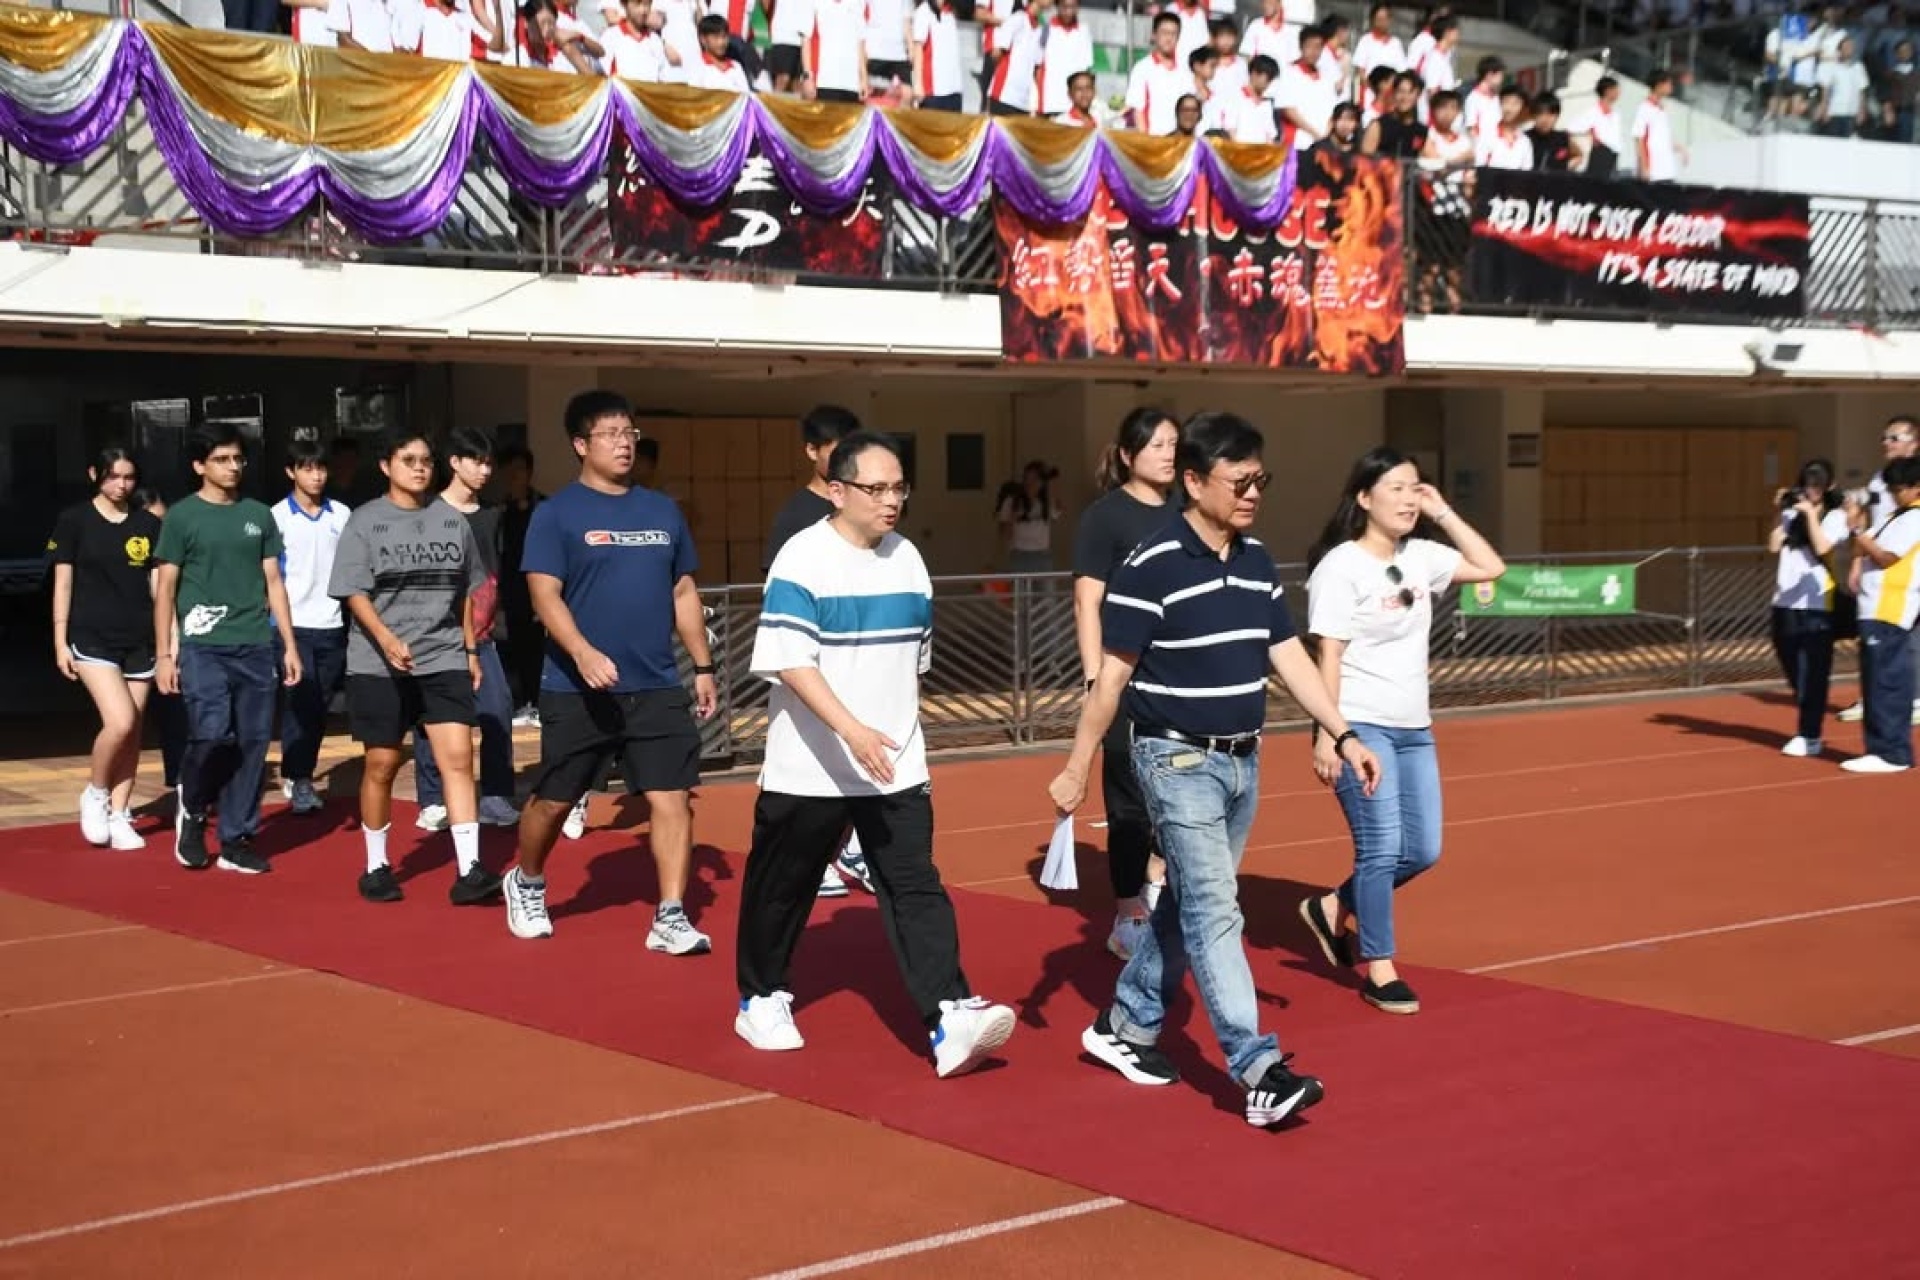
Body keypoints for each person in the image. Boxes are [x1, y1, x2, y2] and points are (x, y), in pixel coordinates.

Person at [1047, 412, 1381, 1129]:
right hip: (1174, 759)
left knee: (1189, 905)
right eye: (1240, 481)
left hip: (1241, 763)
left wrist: (1343, 731)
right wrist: (1077, 767)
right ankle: (1257, 1070)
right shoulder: (1151, 564)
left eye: (1261, 480)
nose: (1253, 493)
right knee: (1217, 910)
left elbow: (1287, 657)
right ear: (1195, 482)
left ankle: (1126, 1023)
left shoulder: (1256, 561)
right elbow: (1111, 679)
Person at [735, 431, 1017, 1075]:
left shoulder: (908, 559)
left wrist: (895, 737)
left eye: (899, 488)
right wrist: (853, 731)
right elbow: (790, 662)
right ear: (837, 491)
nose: (892, 501)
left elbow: (913, 664)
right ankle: (761, 997)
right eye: (877, 489)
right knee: (783, 888)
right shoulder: (802, 558)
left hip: (895, 765)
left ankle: (949, 1016)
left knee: (915, 884)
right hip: (811, 767)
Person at [501, 391, 720, 953]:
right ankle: (526, 880)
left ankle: (670, 915)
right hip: (578, 688)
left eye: (630, 433)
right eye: (611, 434)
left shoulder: (662, 511)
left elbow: (683, 590)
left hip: (656, 684)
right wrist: (580, 651)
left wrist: (702, 665)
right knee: (555, 799)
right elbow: (543, 595)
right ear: (581, 444)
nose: (625, 444)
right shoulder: (556, 514)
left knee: (671, 797)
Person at [1296, 448, 1505, 1016]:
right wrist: (1329, 733)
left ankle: (1332, 906)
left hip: (1415, 727)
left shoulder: (1422, 556)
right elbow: (1329, 655)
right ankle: (1380, 966)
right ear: (1364, 498)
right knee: (1380, 847)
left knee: (1423, 849)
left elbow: (1490, 567)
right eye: (1396, 488)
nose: (1409, 498)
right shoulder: (1341, 566)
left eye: (1415, 487)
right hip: (1361, 724)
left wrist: (1444, 512)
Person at [330, 433, 504, 905]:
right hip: (378, 662)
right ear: (386, 466)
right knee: (382, 764)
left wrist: (470, 651)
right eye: (408, 460)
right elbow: (353, 592)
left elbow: (465, 593)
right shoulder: (365, 521)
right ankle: (376, 866)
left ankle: (470, 870)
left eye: (426, 460)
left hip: (443, 656)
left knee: (459, 759)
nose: (420, 468)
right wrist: (387, 640)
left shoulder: (451, 521)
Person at [153, 422, 302, 874]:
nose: (233, 466)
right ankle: (194, 809)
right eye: (221, 459)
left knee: (253, 744)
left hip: (255, 644)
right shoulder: (182, 517)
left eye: (238, 458)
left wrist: (288, 645)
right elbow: (166, 590)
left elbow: (274, 582)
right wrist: (165, 655)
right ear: (199, 465)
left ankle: (237, 837)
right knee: (213, 735)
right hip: (203, 647)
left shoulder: (259, 515)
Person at [1070, 408, 1179, 960]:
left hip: (1177, 680)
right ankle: (1128, 913)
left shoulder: (1189, 512)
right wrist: (1096, 678)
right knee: (1129, 804)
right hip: (1121, 675)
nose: (1168, 453)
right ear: (1128, 455)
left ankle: (1157, 876)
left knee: (1178, 793)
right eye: (1157, 444)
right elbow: (1087, 600)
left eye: (1173, 443)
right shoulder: (1105, 518)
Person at [764, 404, 874, 900]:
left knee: (864, 758)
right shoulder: (795, 517)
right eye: (836, 449)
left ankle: (851, 849)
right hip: (814, 662)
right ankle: (815, 857)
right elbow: (780, 592)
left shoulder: (861, 511)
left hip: (860, 655)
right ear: (811, 451)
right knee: (813, 762)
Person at [49, 446, 164, 851]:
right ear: (95, 474)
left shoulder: (148, 524)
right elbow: (63, 583)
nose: (121, 485)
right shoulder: (74, 521)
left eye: (129, 477)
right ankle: (96, 793)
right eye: (113, 476)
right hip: (91, 636)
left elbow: (158, 587)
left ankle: (119, 812)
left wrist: (169, 641)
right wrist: (60, 640)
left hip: (140, 638)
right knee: (120, 721)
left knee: (134, 731)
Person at [413, 427, 521, 832]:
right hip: (436, 636)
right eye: (477, 461)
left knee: (498, 710)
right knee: (434, 718)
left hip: (484, 635)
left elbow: (498, 571)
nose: (485, 470)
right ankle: (433, 799)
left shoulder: (494, 515)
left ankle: (495, 795)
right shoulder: (427, 513)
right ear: (455, 462)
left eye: (489, 463)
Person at [272, 438, 351, 817]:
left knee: (319, 704)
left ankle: (299, 768)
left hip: (332, 624)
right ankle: (299, 775)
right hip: (292, 626)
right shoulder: (276, 517)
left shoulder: (341, 514)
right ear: (291, 472)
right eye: (307, 468)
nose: (316, 476)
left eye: (321, 468)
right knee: (300, 700)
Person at [1840, 455, 1920, 775]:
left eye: (1898, 489)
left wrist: (1857, 530)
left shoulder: (1914, 519)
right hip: (1874, 607)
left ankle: (1893, 753)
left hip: (1891, 608)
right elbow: (1862, 548)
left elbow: (1886, 557)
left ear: (1915, 487)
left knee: (1886, 682)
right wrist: (1858, 529)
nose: (1893, 494)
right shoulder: (1894, 516)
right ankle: (1881, 749)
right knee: (1875, 682)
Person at [1768, 459, 1850, 759]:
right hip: (1785, 601)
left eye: (1816, 485)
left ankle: (1809, 733)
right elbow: (1773, 546)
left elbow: (1824, 546)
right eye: (1806, 484)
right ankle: (1808, 716)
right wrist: (1779, 511)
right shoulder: (1791, 512)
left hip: (1818, 603)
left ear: (1828, 487)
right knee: (1790, 661)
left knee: (1813, 670)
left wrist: (1811, 515)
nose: (1810, 491)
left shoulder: (1836, 516)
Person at [134, 486, 189, 802]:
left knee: (176, 714)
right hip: (133, 643)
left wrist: (171, 646)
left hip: (170, 642)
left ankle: (182, 781)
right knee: (127, 721)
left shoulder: (173, 554)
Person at [497, 443, 546, 724]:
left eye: (520, 470)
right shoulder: (499, 511)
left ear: (530, 472)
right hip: (510, 592)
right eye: (509, 471)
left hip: (539, 591)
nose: (514, 476)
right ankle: (522, 703)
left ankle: (538, 703)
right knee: (513, 650)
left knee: (538, 650)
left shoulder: (544, 508)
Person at [995, 461, 1062, 574]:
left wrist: (1053, 484)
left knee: (1045, 585)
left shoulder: (1046, 502)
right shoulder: (1012, 502)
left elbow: (1057, 512)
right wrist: (1013, 516)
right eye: (1027, 478)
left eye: (1035, 479)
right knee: (1019, 585)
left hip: (1042, 555)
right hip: (1020, 555)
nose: (1030, 483)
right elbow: (1004, 534)